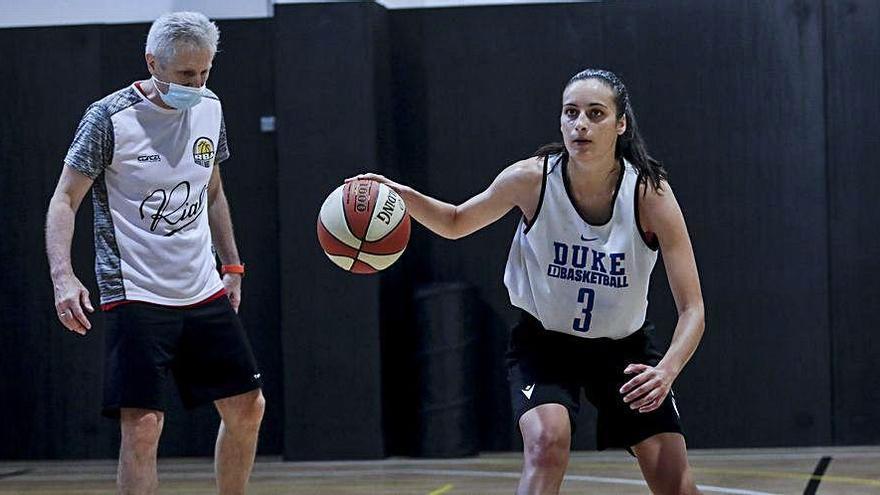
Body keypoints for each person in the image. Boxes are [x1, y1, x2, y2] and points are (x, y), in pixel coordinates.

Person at [354, 69, 705, 495]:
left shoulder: (650, 194)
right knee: (546, 443)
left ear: (620, 124)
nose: (580, 124)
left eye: (595, 114)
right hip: (545, 345)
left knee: (674, 480)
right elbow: (455, 221)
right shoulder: (531, 179)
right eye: (570, 113)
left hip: (623, 351)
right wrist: (402, 196)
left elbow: (693, 310)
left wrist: (666, 370)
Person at [45, 12, 264, 495]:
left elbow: (213, 190)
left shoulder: (210, 107)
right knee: (143, 426)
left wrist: (232, 265)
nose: (198, 83)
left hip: (202, 287)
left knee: (248, 407)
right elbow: (64, 198)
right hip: (137, 292)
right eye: (187, 74)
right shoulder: (108, 118)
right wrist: (64, 277)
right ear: (152, 63)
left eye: (205, 72)